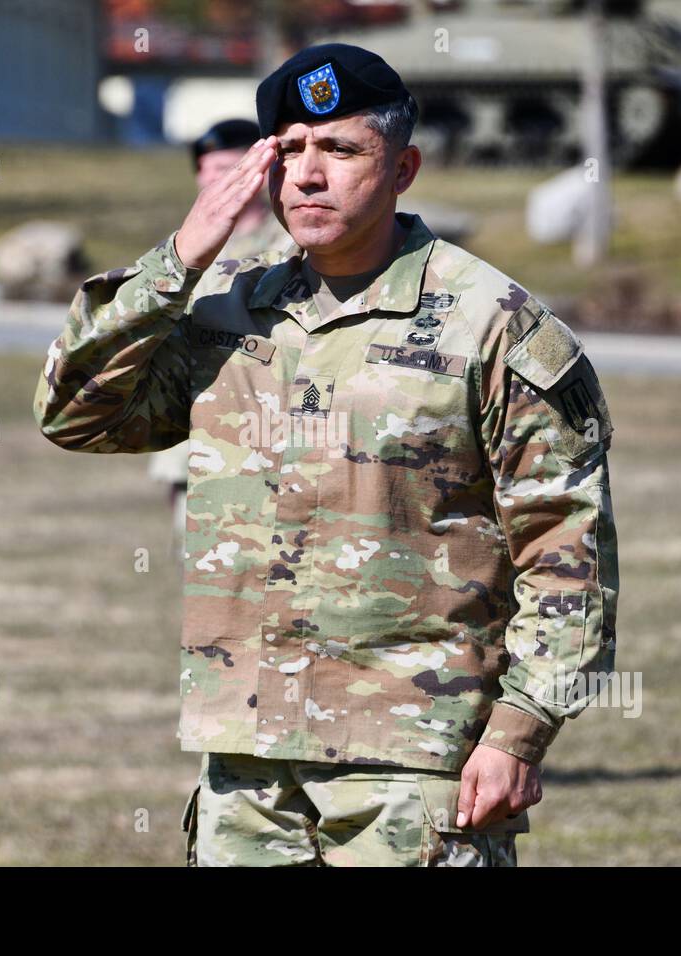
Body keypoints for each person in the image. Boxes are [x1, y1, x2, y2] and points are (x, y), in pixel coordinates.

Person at [36, 43, 619, 866]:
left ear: (403, 167)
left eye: (341, 149)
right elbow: (72, 414)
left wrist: (520, 733)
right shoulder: (227, 312)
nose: (308, 174)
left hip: (416, 764)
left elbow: (568, 553)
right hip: (248, 760)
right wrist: (178, 258)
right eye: (289, 150)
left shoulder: (493, 326)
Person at [147, 119, 292, 550]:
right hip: (192, 430)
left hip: (265, 429)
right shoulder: (183, 246)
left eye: (230, 167)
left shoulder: (290, 244)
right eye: (209, 169)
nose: (217, 179)